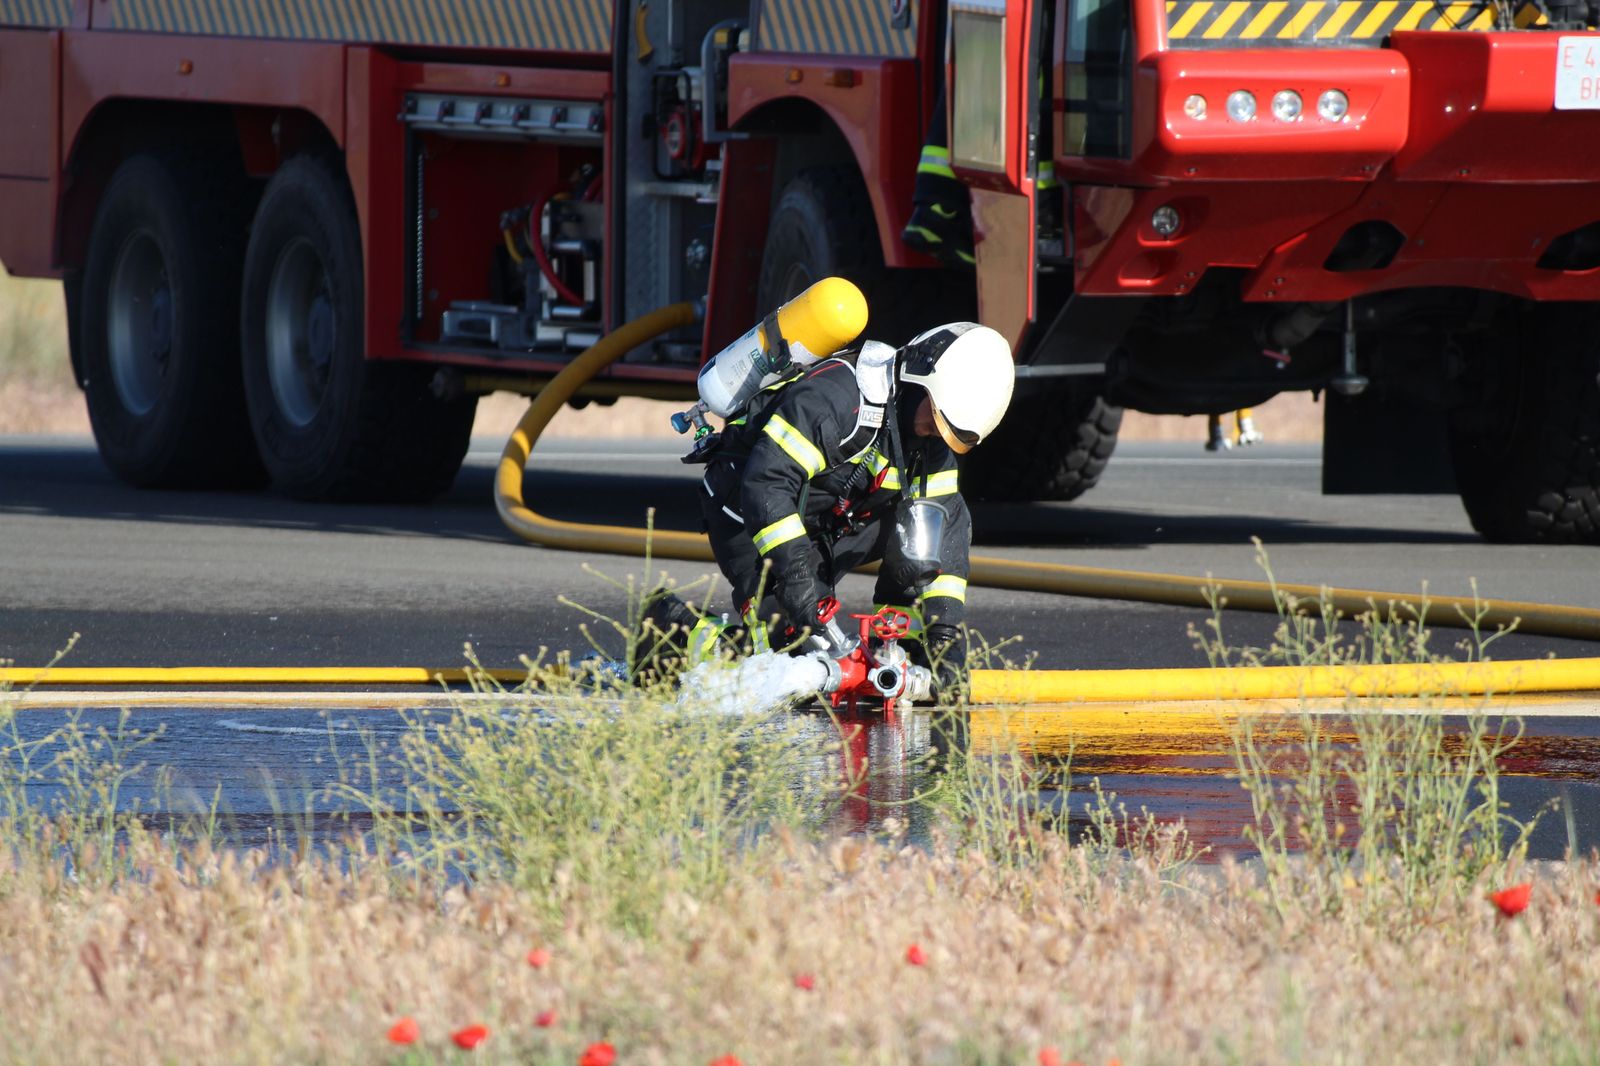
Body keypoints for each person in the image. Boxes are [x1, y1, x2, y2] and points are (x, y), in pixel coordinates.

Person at [647, 322, 1016, 704]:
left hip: (827, 521)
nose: (936, 433)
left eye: (948, 431)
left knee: (932, 516)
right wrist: (797, 578)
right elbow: (767, 484)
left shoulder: (929, 440)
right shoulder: (837, 399)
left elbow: (947, 520)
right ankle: (671, 635)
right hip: (750, 513)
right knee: (789, 665)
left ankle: (898, 637)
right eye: (935, 419)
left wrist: (943, 635)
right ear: (920, 379)